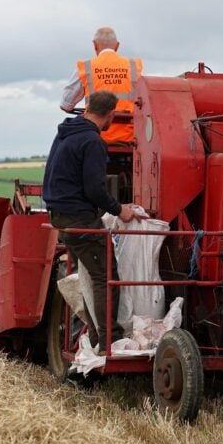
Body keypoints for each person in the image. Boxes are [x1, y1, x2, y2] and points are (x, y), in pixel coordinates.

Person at [44, 90, 139, 348]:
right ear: (110, 115)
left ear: (87, 109)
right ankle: (111, 340)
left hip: (61, 215)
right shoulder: (93, 141)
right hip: (79, 218)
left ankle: (98, 337)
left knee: (93, 274)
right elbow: (95, 190)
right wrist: (120, 210)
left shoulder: (65, 134)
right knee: (106, 276)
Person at [59, 27, 143, 144]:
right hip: (129, 136)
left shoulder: (86, 67)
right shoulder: (134, 66)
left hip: (95, 135)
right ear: (117, 46)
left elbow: (66, 105)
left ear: (95, 45)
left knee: (63, 133)